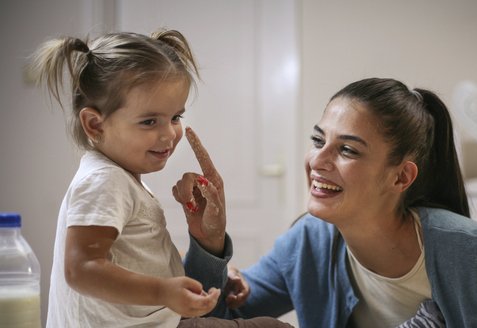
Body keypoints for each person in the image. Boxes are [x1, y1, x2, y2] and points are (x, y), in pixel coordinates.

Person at [175, 78, 477, 327]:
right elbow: (208, 322)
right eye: (319, 140)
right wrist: (209, 245)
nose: (317, 161)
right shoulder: (308, 242)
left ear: (401, 176)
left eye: (348, 150)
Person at [31, 29, 292, 328]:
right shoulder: (105, 181)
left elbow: (135, 258)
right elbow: (81, 269)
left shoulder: (120, 178)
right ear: (95, 124)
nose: (169, 133)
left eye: (176, 117)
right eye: (149, 121)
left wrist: (210, 257)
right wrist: (163, 291)